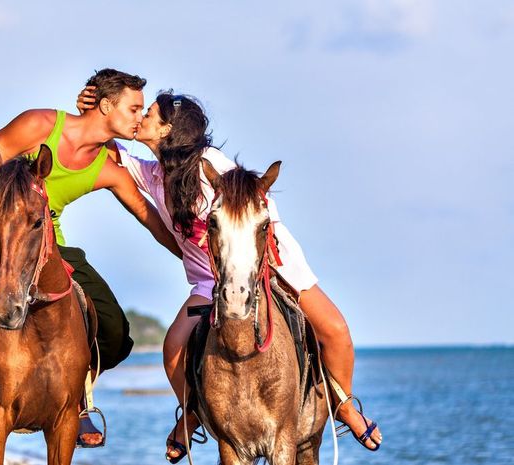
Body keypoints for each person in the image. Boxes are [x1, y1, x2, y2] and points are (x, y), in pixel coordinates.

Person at [77, 90, 383, 461]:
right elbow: (108, 148)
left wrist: (261, 263)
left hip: (269, 264)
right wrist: (96, 111)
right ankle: (191, 414)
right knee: (173, 348)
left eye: (149, 114)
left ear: (169, 129)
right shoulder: (151, 174)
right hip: (208, 283)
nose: (140, 118)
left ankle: (343, 403)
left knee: (335, 331)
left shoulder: (210, 162)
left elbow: (254, 198)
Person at [0, 69, 182, 445]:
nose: (141, 116)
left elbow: (151, 220)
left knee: (115, 330)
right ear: (106, 105)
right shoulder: (39, 125)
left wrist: (196, 260)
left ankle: (76, 396)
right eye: (135, 107)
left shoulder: (109, 166)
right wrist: (3, 226)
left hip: (50, 244)